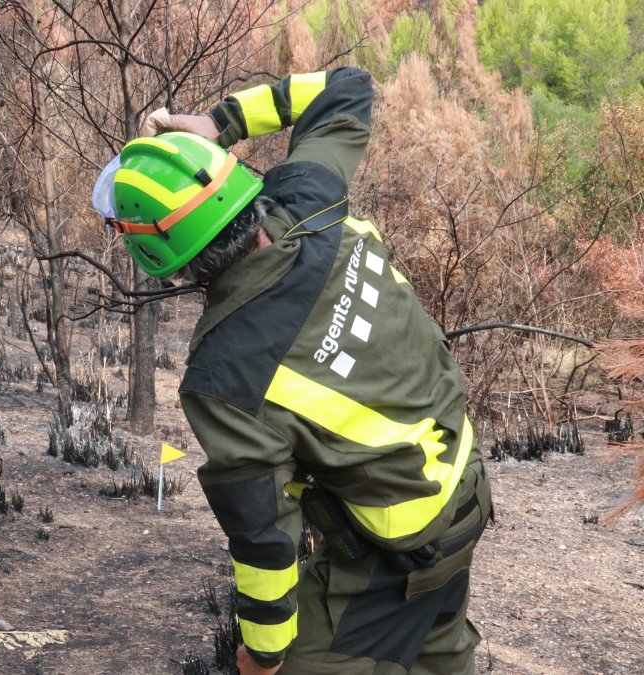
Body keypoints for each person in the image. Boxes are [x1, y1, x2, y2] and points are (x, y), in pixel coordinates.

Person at [90, 67, 493, 674]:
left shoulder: (226, 373)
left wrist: (265, 656)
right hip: (464, 488)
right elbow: (346, 88)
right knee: (441, 646)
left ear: (156, 254)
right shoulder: (308, 198)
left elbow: (263, 541)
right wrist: (222, 121)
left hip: (398, 549)